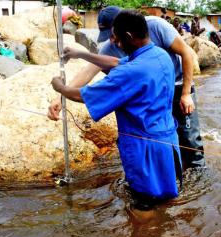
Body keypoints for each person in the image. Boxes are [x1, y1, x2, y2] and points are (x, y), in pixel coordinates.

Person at [51, 10, 182, 212]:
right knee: (165, 201)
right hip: (168, 143)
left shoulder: (129, 73)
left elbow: (82, 95)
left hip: (143, 150)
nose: (116, 45)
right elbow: (115, 62)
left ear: (129, 36)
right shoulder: (160, 55)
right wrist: (81, 53)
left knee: (142, 207)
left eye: (118, 40)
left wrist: (59, 87)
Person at [48, 6, 205, 171]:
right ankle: (181, 180)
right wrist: (60, 96)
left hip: (177, 86)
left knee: (190, 140)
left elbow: (187, 53)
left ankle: (196, 175)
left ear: (127, 31)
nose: (112, 41)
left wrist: (186, 94)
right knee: (167, 139)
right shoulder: (147, 52)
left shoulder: (156, 27)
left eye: (114, 35)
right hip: (151, 98)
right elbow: (93, 69)